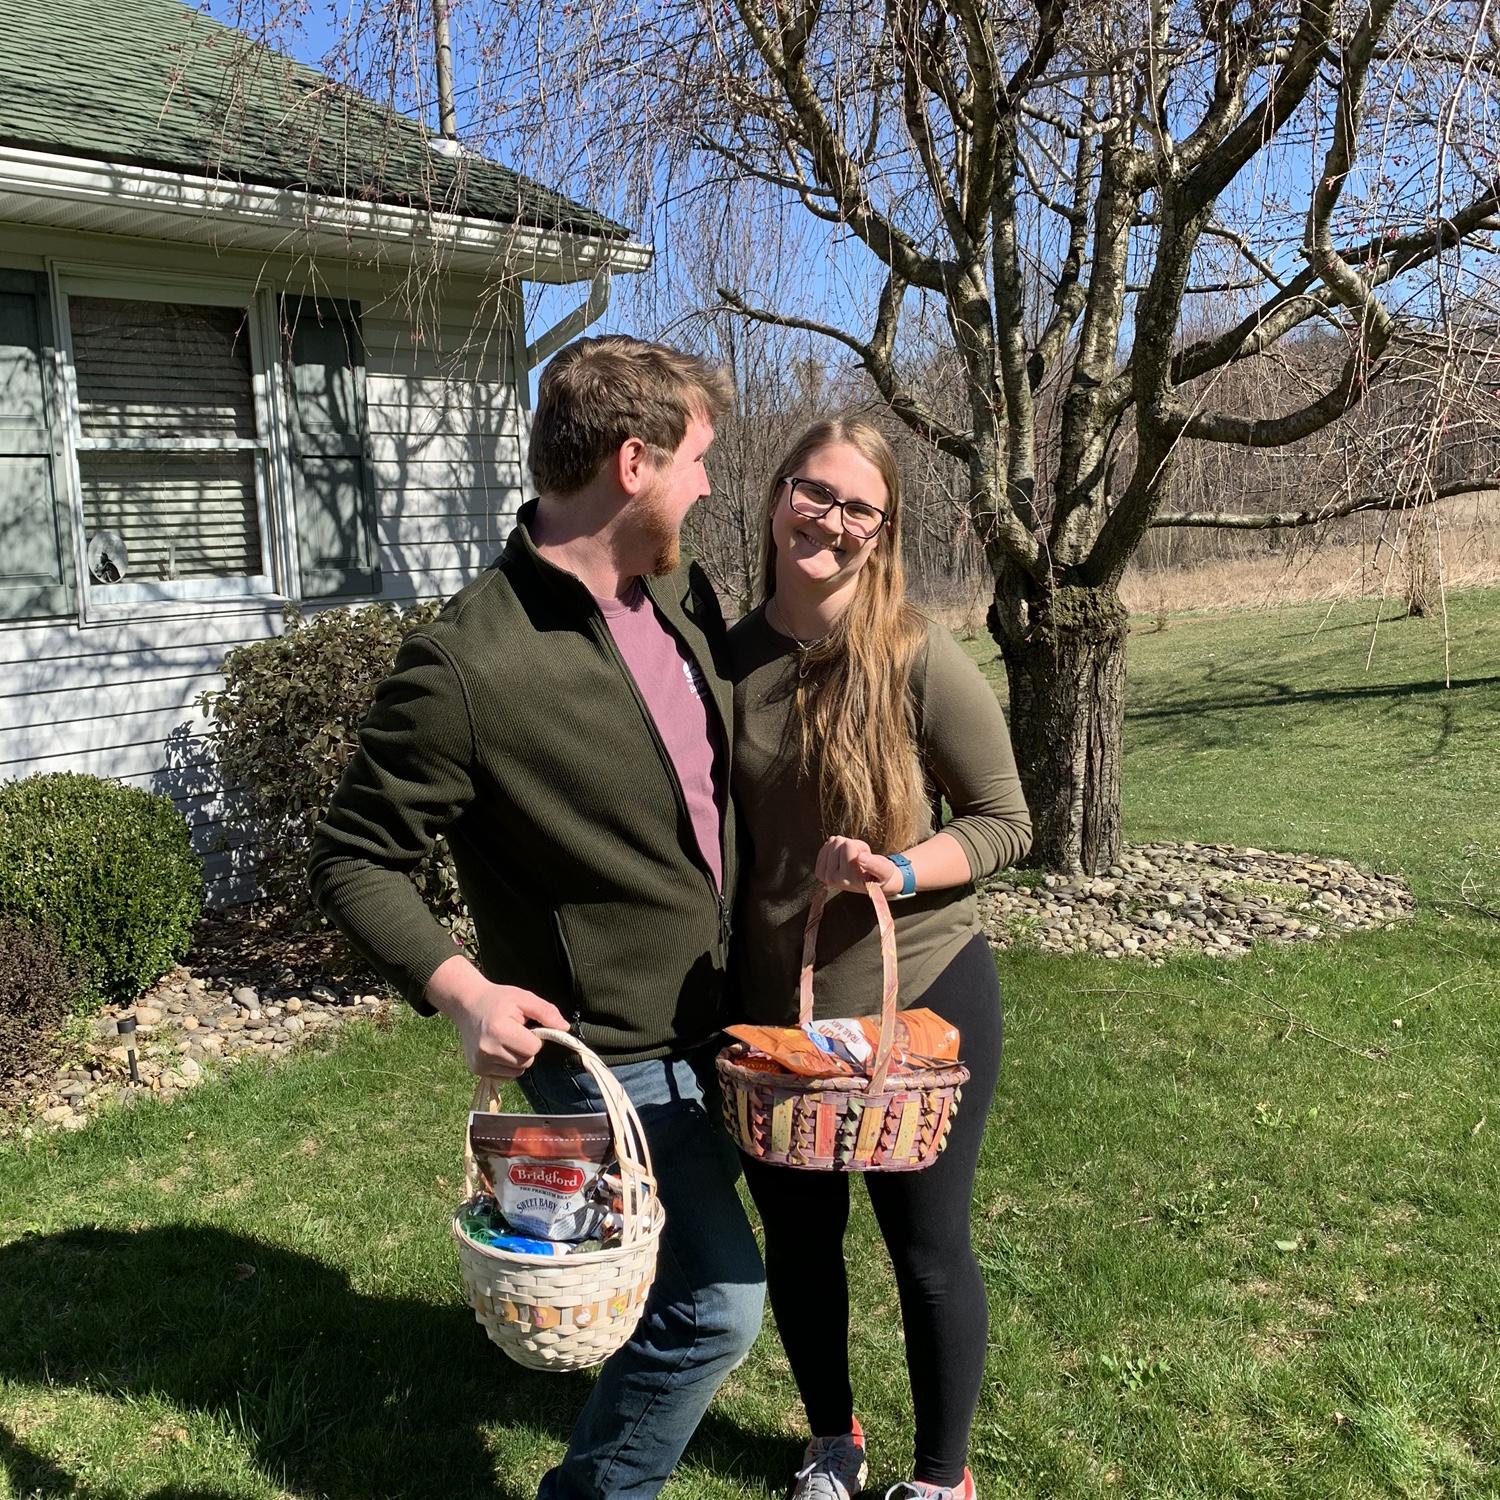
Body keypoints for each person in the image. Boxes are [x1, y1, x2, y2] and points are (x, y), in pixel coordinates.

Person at [308, 335, 765, 1500]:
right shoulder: (467, 664)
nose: (709, 484)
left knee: (684, 1272)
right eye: (696, 461)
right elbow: (355, 856)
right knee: (715, 1304)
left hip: (730, 1015)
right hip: (610, 1052)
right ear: (631, 463)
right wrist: (462, 991)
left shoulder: (680, 589)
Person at [727, 419, 1032, 1500]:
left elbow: (1005, 820)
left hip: (923, 995)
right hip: (782, 1015)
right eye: (817, 493)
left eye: (862, 507)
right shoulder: (726, 661)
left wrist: (899, 870)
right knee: (801, 1245)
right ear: (778, 496)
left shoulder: (916, 656)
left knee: (927, 1246)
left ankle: (942, 1480)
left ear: (885, 530)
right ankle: (832, 1443)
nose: (834, 521)